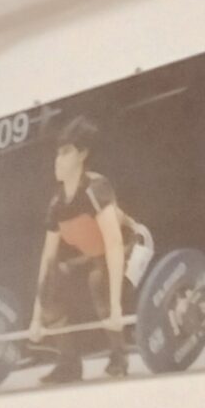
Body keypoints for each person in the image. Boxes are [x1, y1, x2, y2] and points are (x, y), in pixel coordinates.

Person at [25, 116, 136, 384]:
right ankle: (69, 363)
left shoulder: (96, 188)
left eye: (66, 152)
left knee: (98, 279)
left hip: (131, 249)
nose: (58, 160)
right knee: (51, 279)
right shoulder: (57, 204)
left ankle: (119, 355)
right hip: (95, 256)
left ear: (82, 154)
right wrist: (36, 320)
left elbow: (114, 244)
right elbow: (47, 260)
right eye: (57, 154)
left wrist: (116, 308)